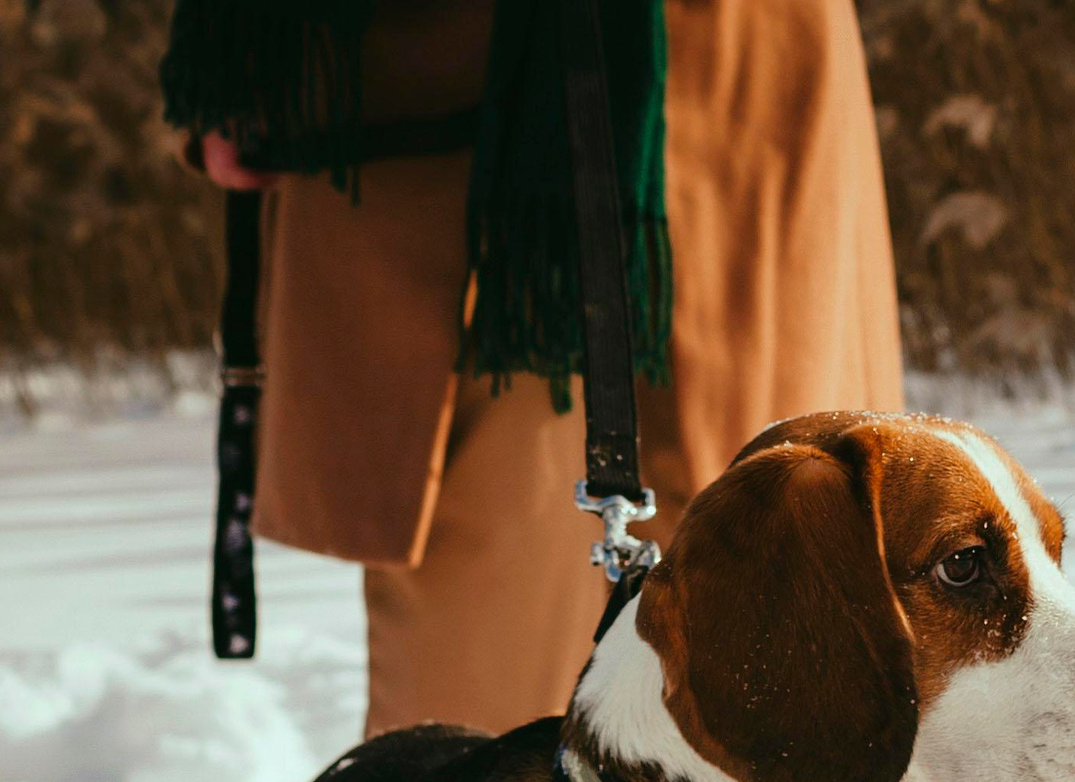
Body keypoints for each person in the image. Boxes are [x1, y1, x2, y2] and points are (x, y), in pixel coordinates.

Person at [162, 0, 903, 736]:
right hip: (473, 115)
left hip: (726, 89)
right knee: (489, 678)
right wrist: (238, 55)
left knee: (767, 591)